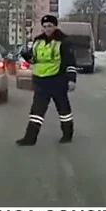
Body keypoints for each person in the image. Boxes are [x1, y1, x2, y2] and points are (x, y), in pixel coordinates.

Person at [15, 15, 78, 146]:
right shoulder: (38, 41)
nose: (47, 29)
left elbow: (70, 61)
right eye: (44, 26)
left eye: (50, 26)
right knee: (36, 112)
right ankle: (30, 138)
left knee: (63, 110)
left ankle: (67, 134)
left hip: (58, 81)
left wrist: (71, 79)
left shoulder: (63, 41)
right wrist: (27, 56)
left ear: (55, 26)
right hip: (41, 81)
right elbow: (35, 60)